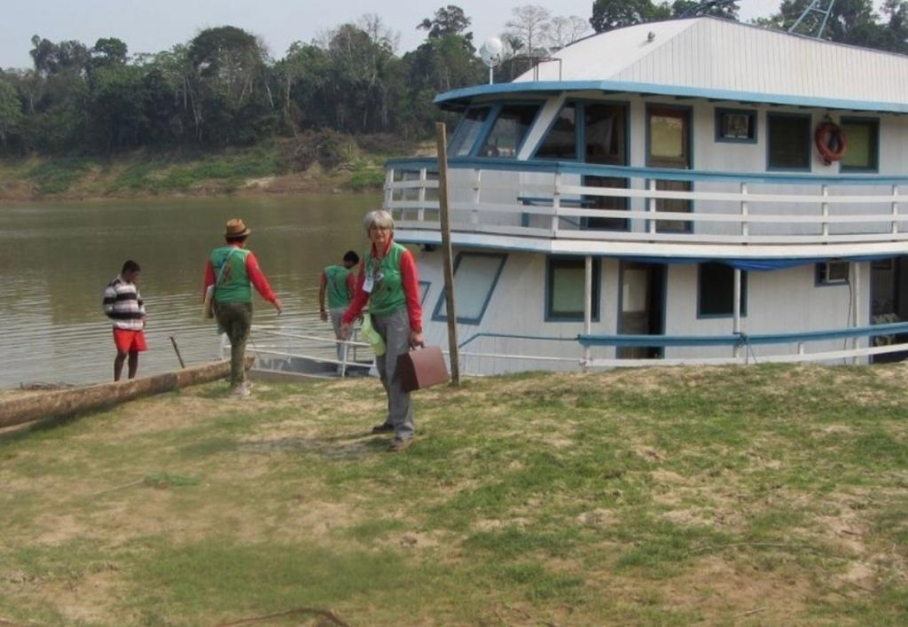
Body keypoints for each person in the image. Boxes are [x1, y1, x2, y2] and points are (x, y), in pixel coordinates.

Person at [341, 210, 423, 452]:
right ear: (368, 232)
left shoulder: (402, 255)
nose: (379, 233)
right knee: (383, 372)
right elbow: (361, 294)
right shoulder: (367, 258)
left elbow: (412, 293)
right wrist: (347, 318)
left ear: (391, 231)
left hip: (398, 317)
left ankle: (404, 431)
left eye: (383, 228)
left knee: (396, 371)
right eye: (375, 228)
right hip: (376, 317)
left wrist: (416, 328)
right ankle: (393, 418)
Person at [203, 218, 283, 397]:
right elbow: (259, 280)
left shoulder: (214, 255)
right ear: (243, 238)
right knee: (239, 343)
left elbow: (209, 283)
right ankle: (237, 386)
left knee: (235, 343)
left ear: (226, 239)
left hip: (221, 306)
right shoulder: (246, 255)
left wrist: (207, 307)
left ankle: (240, 379)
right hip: (241, 305)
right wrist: (273, 299)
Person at [103, 260, 147, 382]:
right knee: (122, 353)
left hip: (136, 326)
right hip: (122, 326)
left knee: (135, 353)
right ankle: (116, 382)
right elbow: (107, 308)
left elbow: (141, 303)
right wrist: (122, 316)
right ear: (128, 272)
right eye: (135, 275)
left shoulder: (134, 287)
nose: (136, 277)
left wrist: (143, 316)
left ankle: (131, 381)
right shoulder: (114, 285)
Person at [319, 250, 359, 374]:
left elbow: (321, 291)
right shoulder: (348, 274)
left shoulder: (327, 270)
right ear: (352, 262)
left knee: (339, 337)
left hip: (333, 308)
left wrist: (322, 309)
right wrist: (358, 311)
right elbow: (354, 295)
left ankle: (341, 365)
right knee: (346, 337)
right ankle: (342, 368)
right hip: (346, 309)